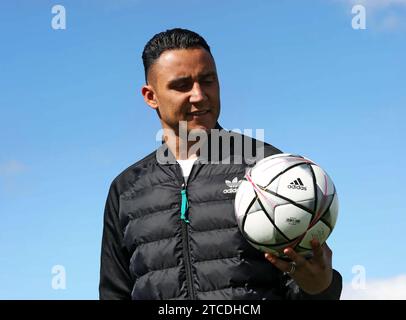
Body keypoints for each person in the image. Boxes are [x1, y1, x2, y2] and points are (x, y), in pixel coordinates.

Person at [99, 28, 342, 300]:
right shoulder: (126, 189)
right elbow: (114, 293)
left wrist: (321, 288)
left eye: (208, 81)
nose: (199, 95)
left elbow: (308, 277)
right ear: (150, 96)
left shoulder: (267, 168)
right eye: (182, 85)